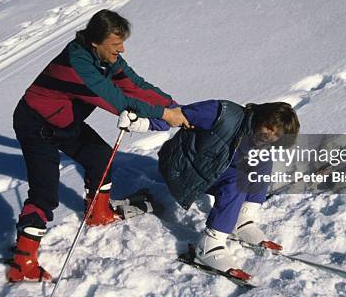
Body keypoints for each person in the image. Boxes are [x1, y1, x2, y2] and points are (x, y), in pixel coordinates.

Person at [7, 9, 189, 282]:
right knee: (44, 192)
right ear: (95, 42)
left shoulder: (106, 59)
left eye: (122, 42)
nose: (122, 49)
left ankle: (98, 212)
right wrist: (165, 115)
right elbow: (119, 101)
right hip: (36, 125)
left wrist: (173, 105)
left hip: (66, 121)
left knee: (101, 157)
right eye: (116, 45)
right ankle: (23, 263)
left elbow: (134, 85)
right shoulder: (78, 66)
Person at [124, 99, 299, 278]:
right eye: (270, 127)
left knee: (263, 160)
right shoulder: (224, 114)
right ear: (262, 116)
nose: (270, 135)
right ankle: (209, 244)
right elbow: (177, 114)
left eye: (277, 135)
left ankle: (242, 218)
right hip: (181, 167)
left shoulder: (262, 141)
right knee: (236, 181)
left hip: (211, 171)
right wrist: (144, 122)